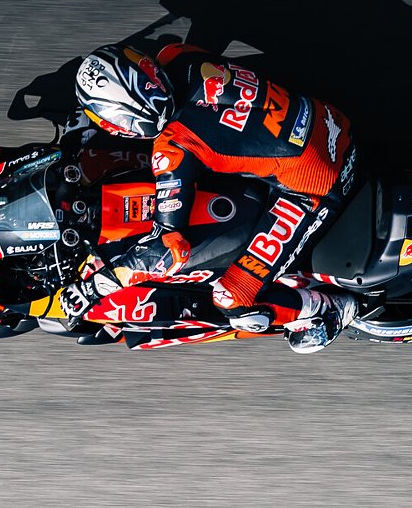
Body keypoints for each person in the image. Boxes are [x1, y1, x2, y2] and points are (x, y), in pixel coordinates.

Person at [57, 42, 358, 353]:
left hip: (316, 186)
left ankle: (331, 309)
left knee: (232, 300)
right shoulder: (177, 53)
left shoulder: (173, 148)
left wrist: (93, 288)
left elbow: (171, 249)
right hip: (325, 118)